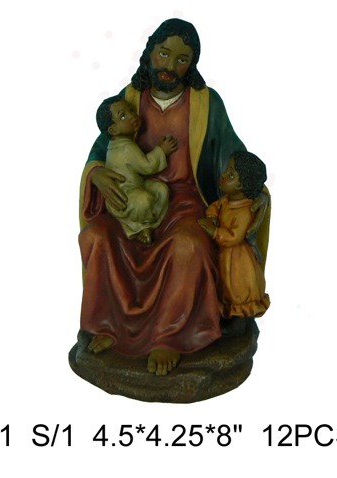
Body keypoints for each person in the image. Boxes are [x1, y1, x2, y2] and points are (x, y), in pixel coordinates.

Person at [78, 18, 270, 376]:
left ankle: (170, 335)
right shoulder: (129, 100)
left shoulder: (206, 103)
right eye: (163, 53)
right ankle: (107, 326)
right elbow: (101, 147)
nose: (169, 65)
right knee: (97, 236)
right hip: (131, 202)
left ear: (192, 63)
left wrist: (251, 182)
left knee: (188, 246)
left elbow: (231, 152)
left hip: (185, 202)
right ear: (149, 52)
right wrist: (97, 174)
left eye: (182, 59)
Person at [198, 151, 271, 319]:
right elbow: (215, 207)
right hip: (226, 256)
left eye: (230, 175)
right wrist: (212, 216)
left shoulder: (245, 211)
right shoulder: (227, 199)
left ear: (241, 186)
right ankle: (228, 312)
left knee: (238, 289)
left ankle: (240, 317)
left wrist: (214, 231)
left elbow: (234, 237)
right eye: (226, 171)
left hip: (237, 259)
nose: (223, 175)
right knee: (226, 287)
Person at [96, 95, 177, 244]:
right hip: (123, 198)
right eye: (123, 116)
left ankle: (150, 221)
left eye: (131, 110)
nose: (132, 116)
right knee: (144, 200)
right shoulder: (126, 148)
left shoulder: (121, 143)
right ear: (113, 130)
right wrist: (162, 150)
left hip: (136, 186)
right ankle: (141, 227)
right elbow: (147, 166)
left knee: (161, 189)